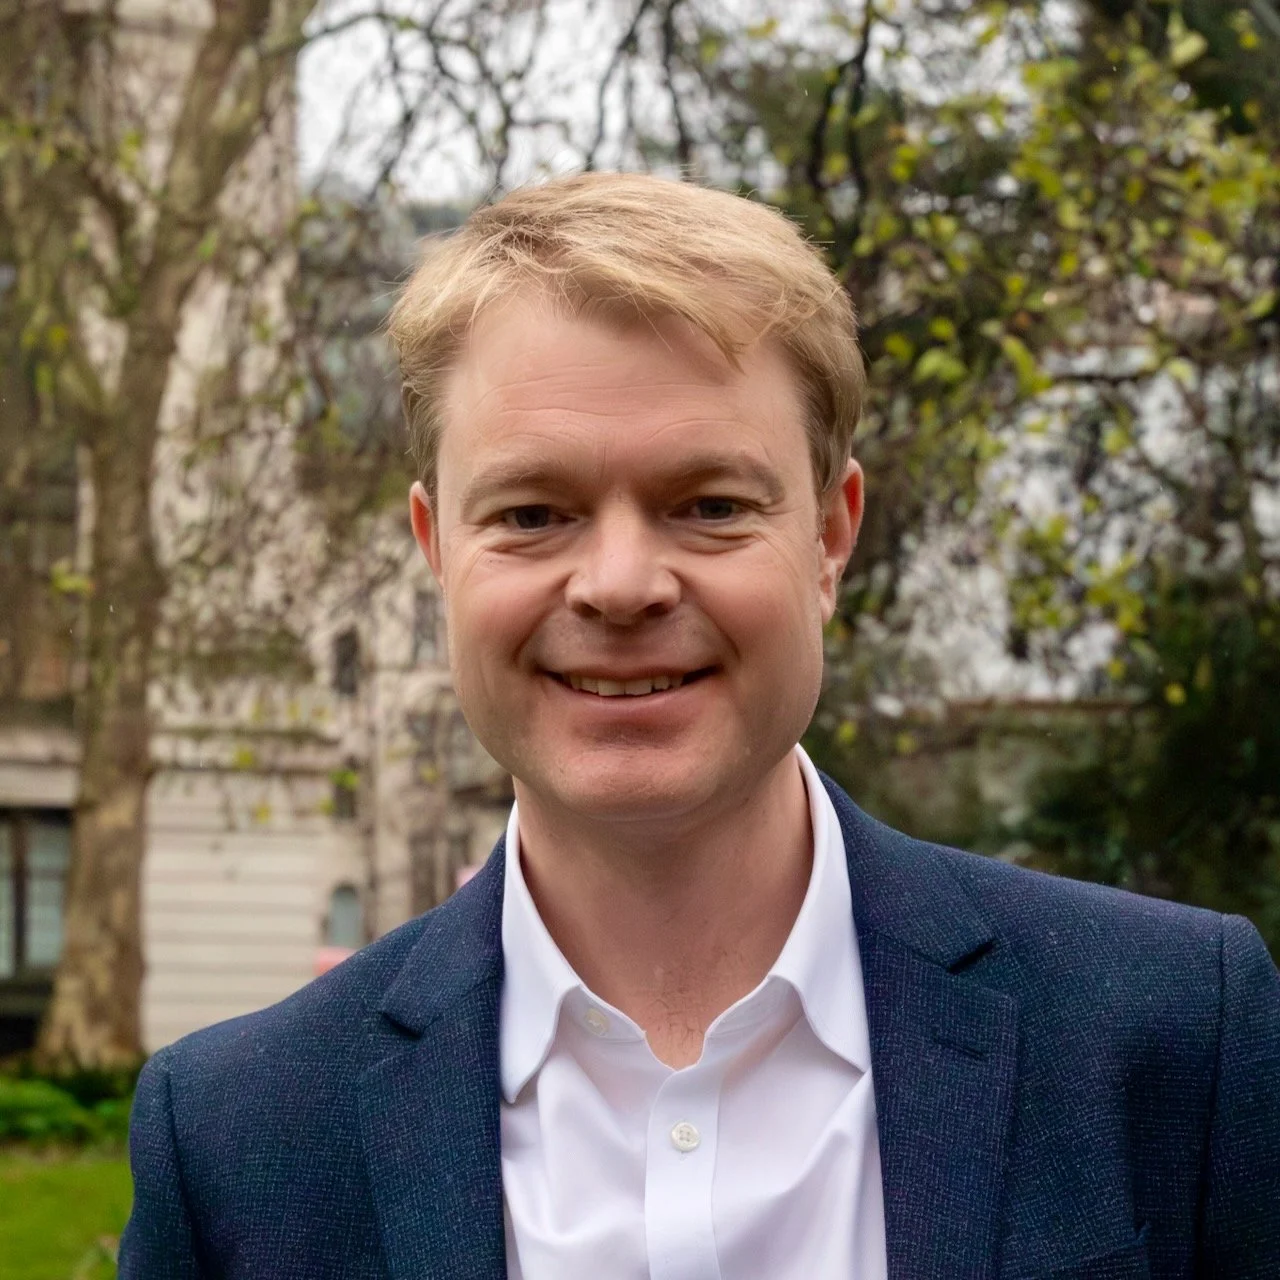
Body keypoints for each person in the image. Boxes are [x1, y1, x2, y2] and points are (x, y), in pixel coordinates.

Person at [120, 173, 1279, 1280]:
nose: (619, 584)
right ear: (435, 549)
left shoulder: (1176, 1035)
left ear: (829, 536)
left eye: (709, 505)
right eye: (533, 513)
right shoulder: (234, 1138)